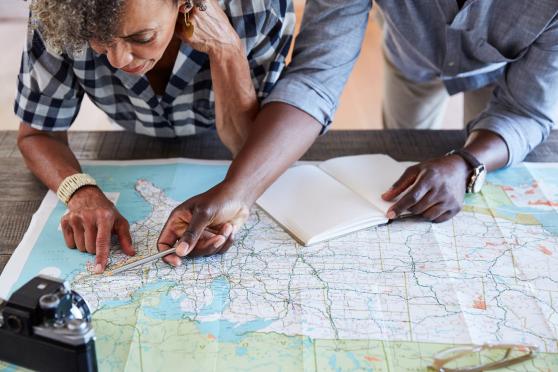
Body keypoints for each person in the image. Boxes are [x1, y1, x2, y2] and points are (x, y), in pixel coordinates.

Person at [158, 0, 558, 262]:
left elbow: (525, 110)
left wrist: (467, 162)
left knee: (478, 149)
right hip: (411, 56)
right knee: (403, 146)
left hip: (505, 68)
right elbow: (317, 76)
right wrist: (239, 192)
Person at [15, 0, 294, 273]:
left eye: (142, 37)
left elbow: (246, 144)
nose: (118, 59)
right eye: (99, 41)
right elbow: (38, 134)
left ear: (185, 4)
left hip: (218, 151)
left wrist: (227, 48)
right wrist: (79, 192)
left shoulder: (258, 8)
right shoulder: (60, 11)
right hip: (127, 143)